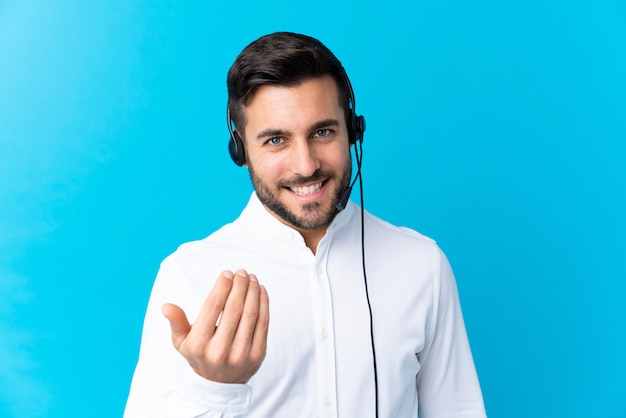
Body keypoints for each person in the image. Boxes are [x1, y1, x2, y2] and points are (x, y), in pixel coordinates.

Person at [124, 32, 486, 417]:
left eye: (322, 132)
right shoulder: (189, 274)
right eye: (277, 140)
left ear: (353, 132)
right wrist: (211, 386)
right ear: (241, 151)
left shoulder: (421, 264)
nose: (306, 165)